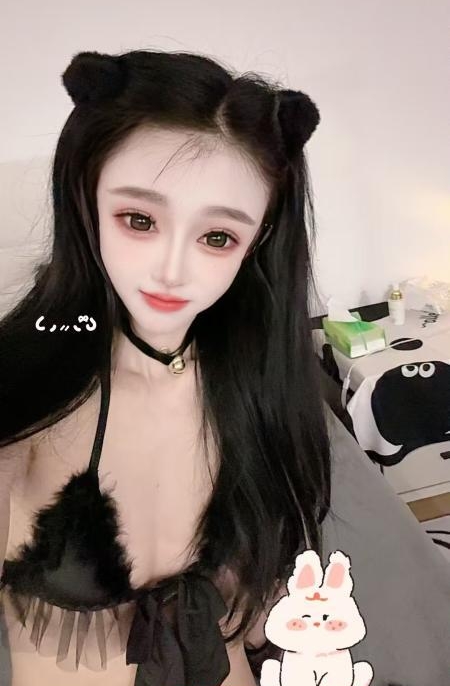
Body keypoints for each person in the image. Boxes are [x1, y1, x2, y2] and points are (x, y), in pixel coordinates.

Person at [0, 50, 448, 686]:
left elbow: (261, 612)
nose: (172, 270)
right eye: (139, 220)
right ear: (85, 201)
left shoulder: (259, 388)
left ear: (257, 240)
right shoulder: (25, 397)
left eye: (217, 238)